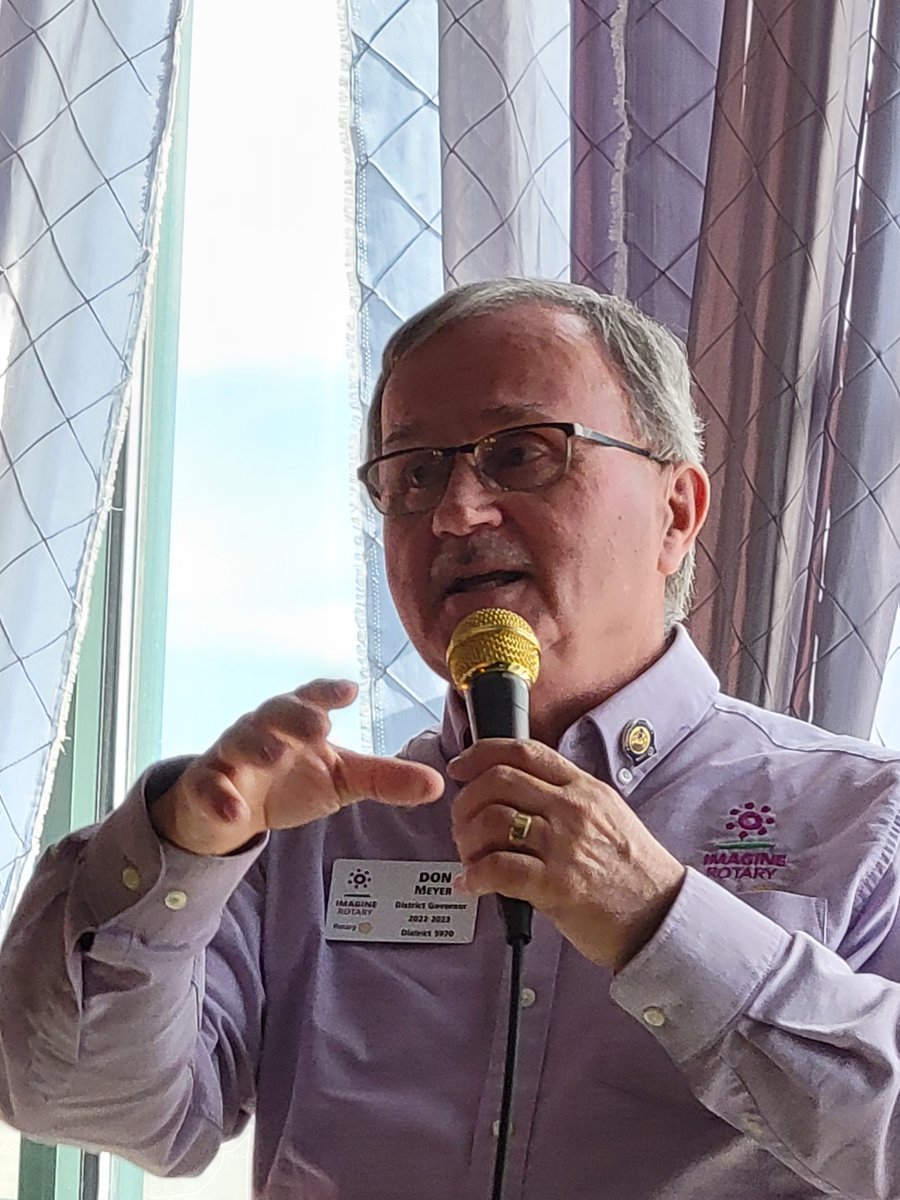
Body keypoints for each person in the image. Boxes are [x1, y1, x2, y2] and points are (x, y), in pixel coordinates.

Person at [1, 278, 899, 1200]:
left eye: (522, 453)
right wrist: (181, 847)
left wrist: (659, 923)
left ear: (675, 512)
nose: (456, 513)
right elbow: (75, 1099)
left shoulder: (864, 820)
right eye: (416, 474)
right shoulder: (307, 835)